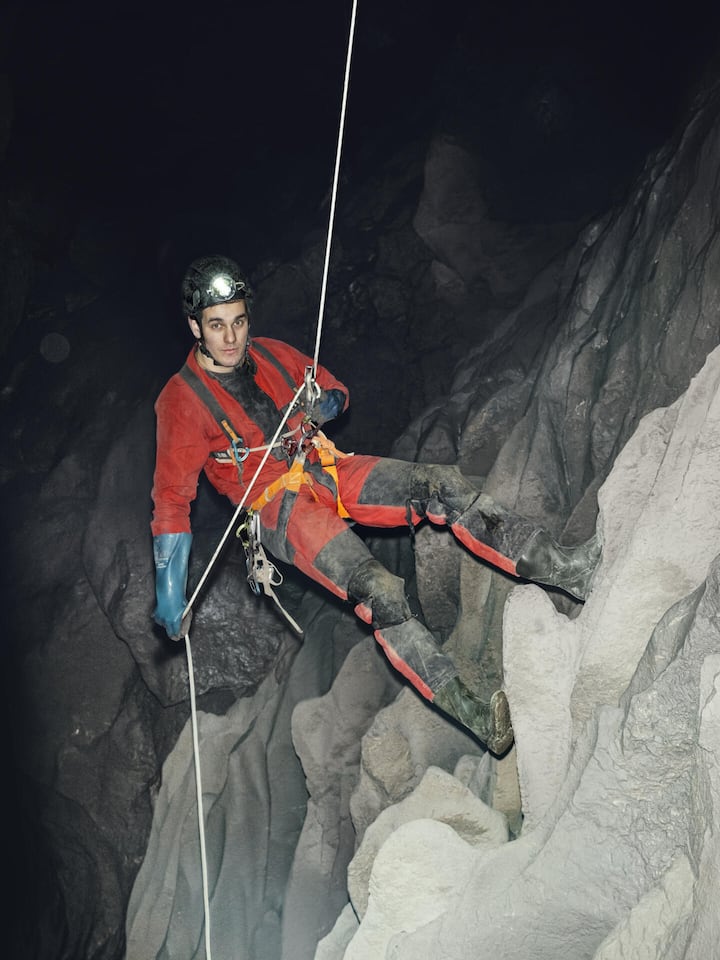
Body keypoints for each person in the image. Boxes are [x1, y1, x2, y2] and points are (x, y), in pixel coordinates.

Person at [151, 255, 600, 755]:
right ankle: (475, 714)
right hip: (281, 509)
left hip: (326, 469)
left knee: (440, 484)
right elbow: (172, 502)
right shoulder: (182, 401)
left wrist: (325, 404)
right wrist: (171, 598)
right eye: (217, 326)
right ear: (195, 327)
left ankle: (565, 568)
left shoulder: (273, 354)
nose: (231, 338)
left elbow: (335, 387)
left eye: (238, 321)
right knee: (380, 590)